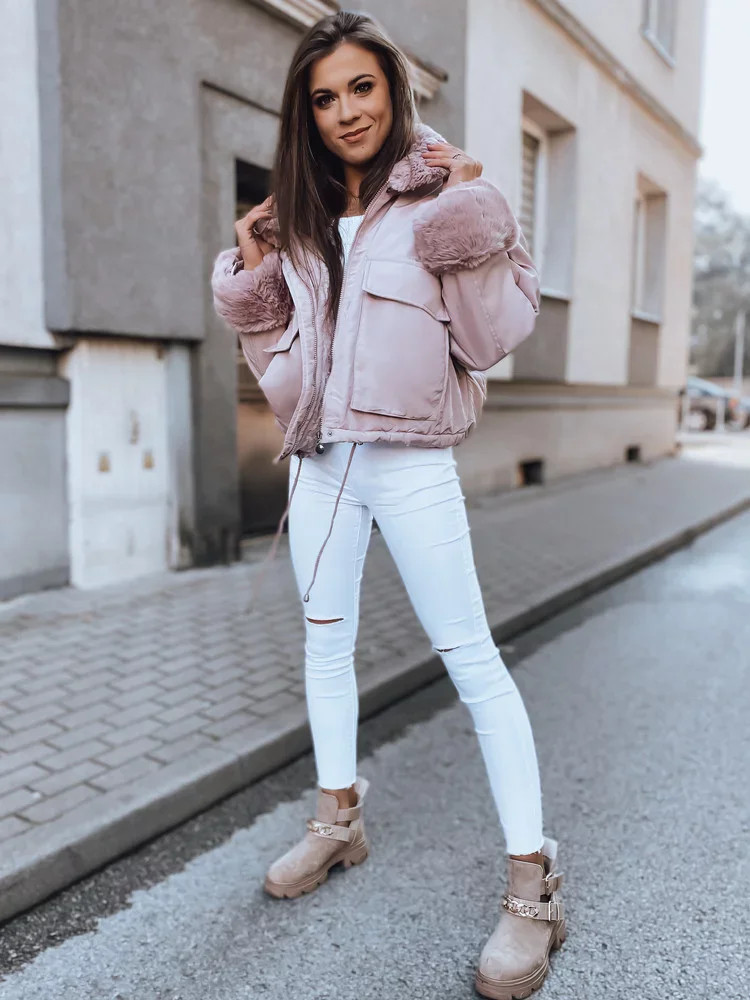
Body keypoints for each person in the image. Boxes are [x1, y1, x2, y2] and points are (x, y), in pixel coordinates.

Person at [211, 10, 565, 998]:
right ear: (308, 114)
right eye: (324, 97)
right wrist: (253, 273)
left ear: (393, 89)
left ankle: (533, 885)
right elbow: (286, 369)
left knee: (472, 660)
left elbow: (490, 338)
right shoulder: (304, 216)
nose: (345, 112)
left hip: (411, 464)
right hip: (321, 467)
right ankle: (338, 820)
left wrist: (473, 216)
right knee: (324, 644)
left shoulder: (446, 196)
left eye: (361, 87)